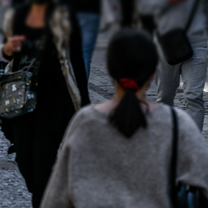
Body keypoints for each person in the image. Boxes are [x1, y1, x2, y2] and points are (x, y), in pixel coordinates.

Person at [40, 29, 208, 207]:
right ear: (152, 76)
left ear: (111, 73)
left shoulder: (85, 123)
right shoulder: (178, 124)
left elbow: (56, 199)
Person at [0, 0, 89, 207]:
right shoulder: (16, 16)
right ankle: (47, 196)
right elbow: (3, 57)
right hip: (20, 102)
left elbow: (77, 63)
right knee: (25, 162)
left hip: (54, 103)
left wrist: (84, 105)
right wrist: (7, 49)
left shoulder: (65, 17)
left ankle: (43, 202)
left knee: (43, 161)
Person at [139, 0, 208, 130]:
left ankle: (193, 144)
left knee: (194, 95)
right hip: (167, 42)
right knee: (165, 96)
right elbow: (144, 6)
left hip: (197, 42)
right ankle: (167, 138)